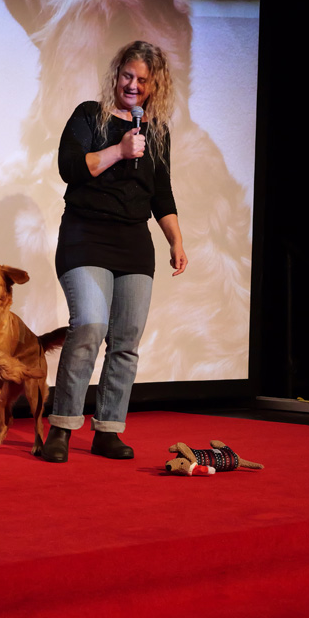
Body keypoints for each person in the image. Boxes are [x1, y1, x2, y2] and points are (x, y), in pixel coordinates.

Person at [42, 40, 187, 463]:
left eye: (142, 80)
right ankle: (62, 427)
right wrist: (120, 150)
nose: (133, 85)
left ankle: (108, 430)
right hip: (85, 235)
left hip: (133, 243)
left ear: (155, 86)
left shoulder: (156, 131)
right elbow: (70, 167)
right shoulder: (90, 115)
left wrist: (175, 239)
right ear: (116, 74)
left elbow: (161, 193)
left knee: (126, 341)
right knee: (89, 324)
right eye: (127, 75)